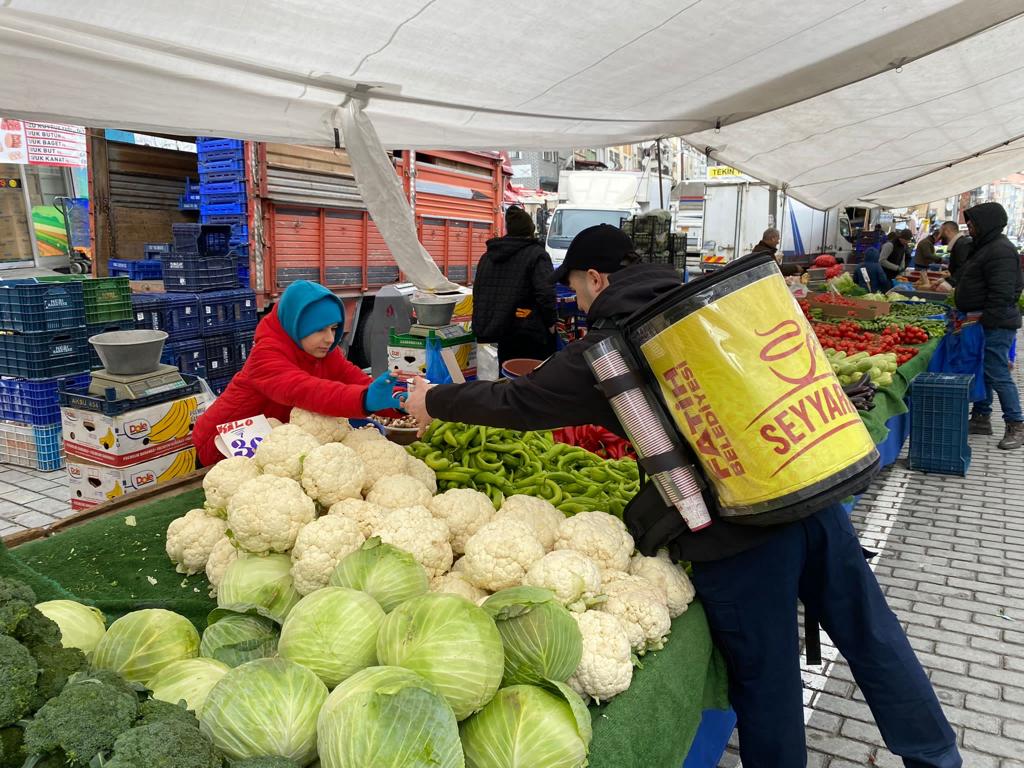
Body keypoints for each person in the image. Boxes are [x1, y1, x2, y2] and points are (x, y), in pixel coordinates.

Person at [404, 224, 961, 768]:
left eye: (574, 286)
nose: (576, 300)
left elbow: (519, 401)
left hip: (739, 539)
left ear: (595, 278)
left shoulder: (609, 350)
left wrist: (435, 400)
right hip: (807, 496)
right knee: (873, 634)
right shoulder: (702, 309)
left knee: (767, 679)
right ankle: (936, 755)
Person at [193, 280, 404, 466]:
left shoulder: (324, 352)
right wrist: (365, 399)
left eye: (333, 328)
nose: (330, 339)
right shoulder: (265, 356)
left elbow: (356, 379)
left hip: (272, 445)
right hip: (221, 446)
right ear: (297, 325)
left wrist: (400, 401)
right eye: (320, 329)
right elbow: (306, 390)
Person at [954, 202, 1024, 449]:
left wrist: (987, 322)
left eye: (972, 222)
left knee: (997, 372)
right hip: (984, 320)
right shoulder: (985, 246)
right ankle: (981, 418)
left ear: (986, 223)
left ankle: (1016, 424)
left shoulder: (1000, 250)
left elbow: (1003, 292)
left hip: (995, 323)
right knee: (984, 370)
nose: (969, 226)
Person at [472, 205, 557, 365]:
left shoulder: (487, 256)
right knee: (528, 376)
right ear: (530, 230)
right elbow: (546, 293)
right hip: (525, 333)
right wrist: (551, 322)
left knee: (495, 378)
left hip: (489, 332)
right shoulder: (537, 255)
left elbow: (477, 293)